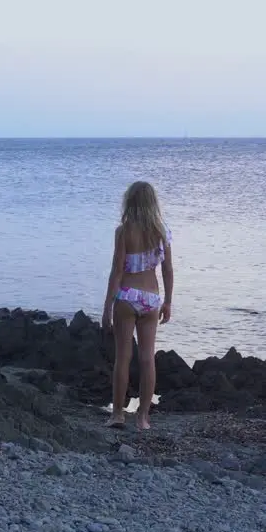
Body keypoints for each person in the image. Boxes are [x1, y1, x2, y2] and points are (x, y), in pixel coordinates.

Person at [101, 181, 173, 430]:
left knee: (123, 357)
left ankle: (118, 414)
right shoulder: (161, 232)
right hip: (151, 298)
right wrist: (168, 302)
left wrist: (107, 307)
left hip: (127, 296)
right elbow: (168, 270)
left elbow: (117, 271)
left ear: (129, 202)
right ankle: (143, 417)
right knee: (147, 358)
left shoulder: (123, 231)